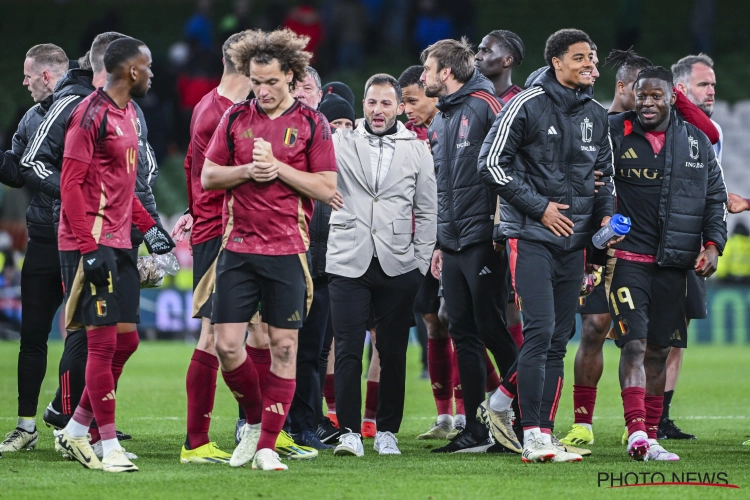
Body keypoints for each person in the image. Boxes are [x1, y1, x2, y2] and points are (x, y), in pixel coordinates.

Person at [201, 28, 337, 471]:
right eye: (256, 82)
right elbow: (208, 177)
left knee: (283, 347)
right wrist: (247, 170)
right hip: (237, 248)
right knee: (226, 345)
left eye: (272, 82)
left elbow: (325, 187)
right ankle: (258, 425)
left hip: (287, 249)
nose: (262, 91)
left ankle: (265, 447)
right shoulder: (235, 119)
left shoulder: (312, 124)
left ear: (292, 77)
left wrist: (276, 168)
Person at [478, 29, 615, 463]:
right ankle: (533, 434)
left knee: (558, 338)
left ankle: (541, 433)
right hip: (531, 236)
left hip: (574, 244)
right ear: (556, 61)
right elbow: (490, 164)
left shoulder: (596, 112)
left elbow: (604, 178)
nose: (590, 65)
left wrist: (606, 218)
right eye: (580, 58)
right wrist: (540, 209)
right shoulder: (527, 104)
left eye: (591, 57)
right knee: (539, 333)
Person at [54, 37, 175, 473]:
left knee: (127, 340)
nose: (153, 74)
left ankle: (75, 429)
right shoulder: (89, 115)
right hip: (92, 242)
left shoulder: (126, 115)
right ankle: (107, 446)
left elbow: (123, 186)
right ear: (133, 72)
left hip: (121, 240)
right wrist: (89, 249)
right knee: (103, 345)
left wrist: (150, 229)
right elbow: (70, 186)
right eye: (149, 66)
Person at [606, 66, 726, 460]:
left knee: (659, 350)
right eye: (642, 95)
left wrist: (713, 245)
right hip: (627, 260)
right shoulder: (614, 133)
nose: (648, 102)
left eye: (656, 95)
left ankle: (652, 435)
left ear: (672, 98)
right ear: (633, 95)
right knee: (635, 345)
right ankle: (637, 432)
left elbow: (714, 199)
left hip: (674, 264)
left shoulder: (696, 142)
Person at [326, 73, 436, 457]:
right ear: (363, 105)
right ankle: (349, 432)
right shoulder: (339, 140)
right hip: (346, 258)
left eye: (386, 103)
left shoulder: (417, 149)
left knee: (392, 353)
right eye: (372, 102)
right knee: (348, 352)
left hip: (398, 262)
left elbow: (427, 210)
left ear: (399, 107)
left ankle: (388, 430)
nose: (377, 110)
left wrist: (420, 262)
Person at [420, 38, 519, 454]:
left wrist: (501, 229)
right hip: (455, 242)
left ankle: (524, 420)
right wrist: (441, 242)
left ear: (446, 72)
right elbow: (444, 189)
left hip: (484, 239)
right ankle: (477, 428)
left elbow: (510, 161)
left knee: (493, 328)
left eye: (427, 69)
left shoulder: (486, 105)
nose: (423, 76)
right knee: (461, 331)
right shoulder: (440, 120)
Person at [171, 32, 251, 465]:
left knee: (252, 332)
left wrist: (191, 209)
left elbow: (190, 165)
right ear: (246, 65)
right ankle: (197, 441)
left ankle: (261, 430)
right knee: (214, 337)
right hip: (223, 233)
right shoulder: (222, 113)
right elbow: (210, 175)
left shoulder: (210, 104)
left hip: (222, 228)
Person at [0, 44, 68, 454]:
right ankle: (26, 426)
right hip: (44, 236)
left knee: (88, 336)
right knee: (32, 335)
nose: (23, 83)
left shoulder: (81, 111)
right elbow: (17, 172)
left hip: (83, 237)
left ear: (46, 75)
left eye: (28, 76)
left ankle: (76, 421)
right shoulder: (30, 117)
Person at [660, 53, 721, 441]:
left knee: (676, 335)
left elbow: (711, 136)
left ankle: (660, 417)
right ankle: (633, 419)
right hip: (648, 242)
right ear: (682, 88)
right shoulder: (655, 121)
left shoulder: (709, 130)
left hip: (689, 242)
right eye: (704, 84)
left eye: (713, 84)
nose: (712, 90)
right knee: (634, 337)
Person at [473, 30, 525, 103]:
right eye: (479, 50)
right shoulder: (465, 95)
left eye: (486, 51)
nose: (477, 56)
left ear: (507, 61)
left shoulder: (522, 104)